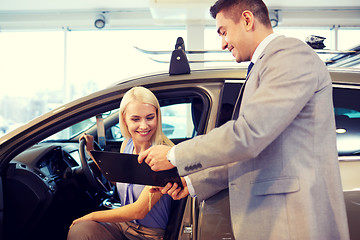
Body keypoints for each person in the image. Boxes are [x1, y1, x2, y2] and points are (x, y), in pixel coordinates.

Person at [138, 0, 350, 239]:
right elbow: (253, 154)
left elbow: (248, 135)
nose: (223, 44)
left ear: (247, 20)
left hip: (291, 223)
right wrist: (193, 182)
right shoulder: (264, 65)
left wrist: (172, 155)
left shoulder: (291, 55)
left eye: (224, 31)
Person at [67, 86, 174, 240]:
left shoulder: (163, 155)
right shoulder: (127, 145)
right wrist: (91, 151)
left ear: (157, 116)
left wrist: (91, 216)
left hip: (147, 235)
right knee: (82, 231)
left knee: (82, 229)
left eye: (149, 117)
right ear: (124, 120)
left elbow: (139, 211)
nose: (144, 125)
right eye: (135, 119)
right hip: (123, 226)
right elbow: (117, 181)